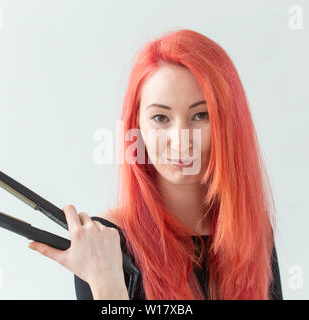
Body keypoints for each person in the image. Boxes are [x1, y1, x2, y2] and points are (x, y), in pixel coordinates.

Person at [29, 28, 283, 300]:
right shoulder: (106, 247)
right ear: (136, 126)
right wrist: (108, 287)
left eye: (200, 115)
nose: (181, 141)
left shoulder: (250, 231)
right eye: (161, 118)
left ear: (229, 123)